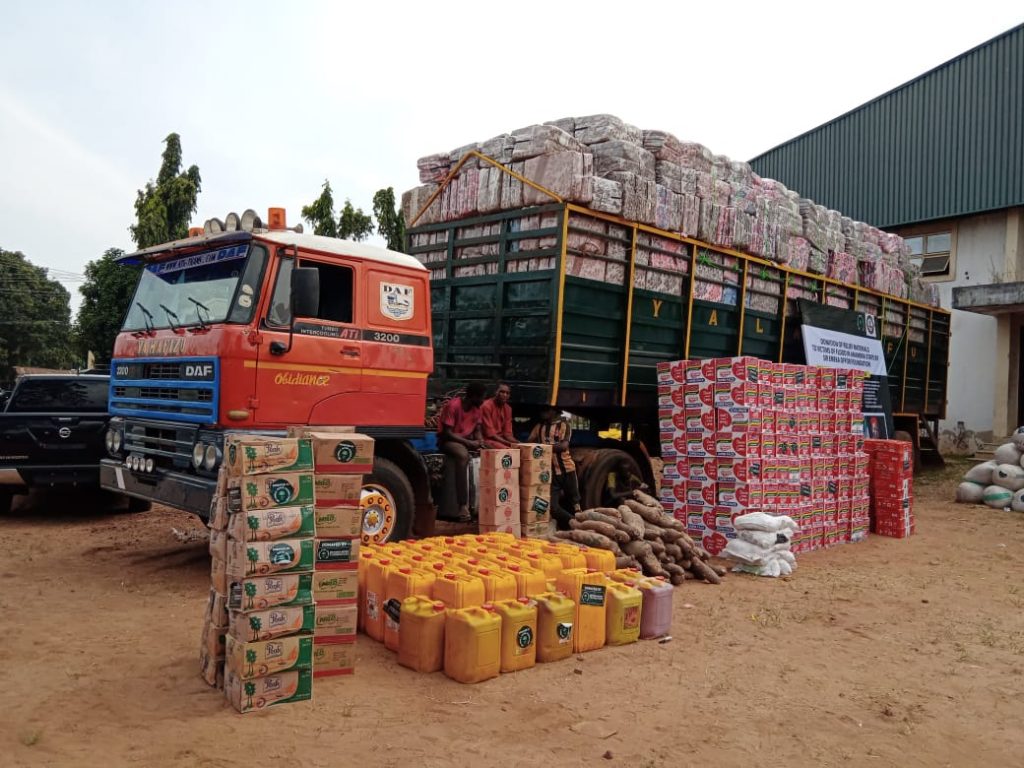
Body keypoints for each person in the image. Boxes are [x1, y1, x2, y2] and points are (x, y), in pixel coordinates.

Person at [437, 382, 486, 522]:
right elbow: (447, 433)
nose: (483, 401)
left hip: (465, 441)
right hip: (447, 441)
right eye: (482, 397)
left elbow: (477, 431)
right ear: (474, 396)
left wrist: (480, 443)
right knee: (463, 455)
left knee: (489, 453)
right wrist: (470, 443)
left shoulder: (477, 409)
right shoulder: (453, 405)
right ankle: (462, 505)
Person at [528, 406, 582, 530]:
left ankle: (581, 527)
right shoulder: (539, 427)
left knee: (576, 504)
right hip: (550, 472)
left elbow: (563, 446)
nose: (542, 413)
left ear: (553, 411)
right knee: (552, 508)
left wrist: (542, 447)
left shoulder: (564, 425)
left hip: (567, 470)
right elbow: (529, 442)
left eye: (546, 410)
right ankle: (576, 525)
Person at [480, 383, 516, 449]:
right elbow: (490, 434)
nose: (505, 395)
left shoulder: (508, 409)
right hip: (487, 440)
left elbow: (507, 434)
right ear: (495, 392)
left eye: (507, 393)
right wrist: (508, 443)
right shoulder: (486, 406)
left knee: (521, 448)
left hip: (501, 440)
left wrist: (518, 443)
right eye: (502, 392)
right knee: (510, 451)